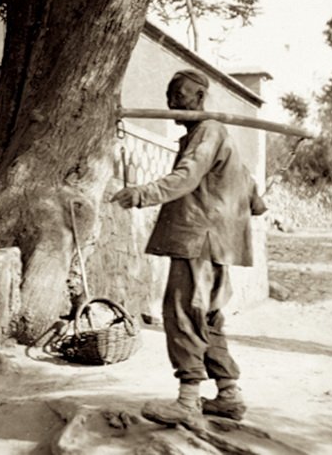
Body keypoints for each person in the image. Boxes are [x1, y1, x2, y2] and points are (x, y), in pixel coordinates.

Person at [111, 70, 267, 426]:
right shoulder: (212, 134)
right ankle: (229, 395)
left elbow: (187, 176)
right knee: (207, 317)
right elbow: (251, 192)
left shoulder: (208, 131)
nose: (171, 102)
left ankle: (187, 401)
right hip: (216, 243)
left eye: (179, 95)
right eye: (168, 95)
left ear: (199, 98)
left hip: (200, 239)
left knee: (182, 313)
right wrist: (253, 200)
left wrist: (140, 194)